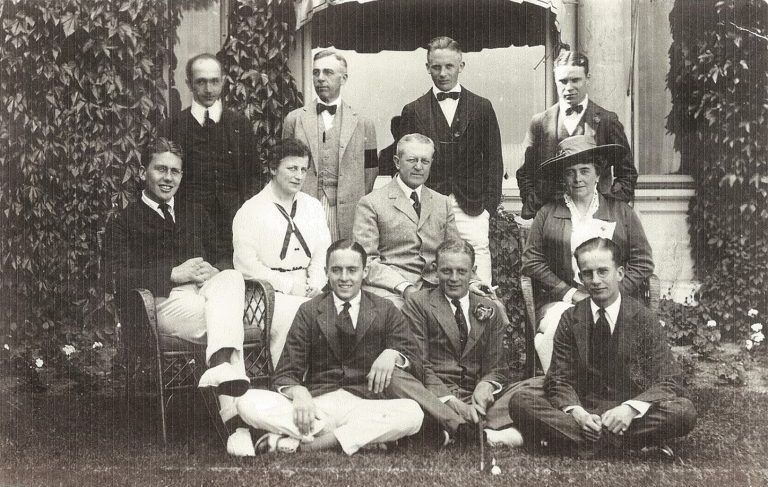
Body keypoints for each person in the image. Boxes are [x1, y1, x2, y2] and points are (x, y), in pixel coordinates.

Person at [105, 137, 254, 456]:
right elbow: (115, 275)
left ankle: (223, 377)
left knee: (231, 277)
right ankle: (236, 423)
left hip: (206, 294)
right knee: (226, 322)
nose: (168, 178)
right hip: (161, 302)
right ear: (143, 172)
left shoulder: (194, 212)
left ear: (182, 175)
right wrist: (173, 273)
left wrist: (214, 269)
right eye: (160, 169)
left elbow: (224, 254)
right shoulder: (124, 221)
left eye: (175, 171)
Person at [509, 237, 696, 457]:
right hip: (585, 411)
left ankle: (571, 443)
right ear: (580, 278)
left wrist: (630, 409)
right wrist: (578, 413)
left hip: (627, 413)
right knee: (520, 402)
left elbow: (669, 379)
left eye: (603, 271)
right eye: (588, 274)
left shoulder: (643, 318)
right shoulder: (570, 318)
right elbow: (558, 378)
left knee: (684, 411)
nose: (596, 280)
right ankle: (629, 445)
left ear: (620, 273)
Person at [234, 240, 424, 455]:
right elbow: (286, 372)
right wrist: (299, 393)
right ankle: (358, 436)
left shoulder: (385, 309)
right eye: (336, 270)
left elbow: (415, 359)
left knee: (412, 413)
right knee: (246, 402)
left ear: (365, 272)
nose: (344, 277)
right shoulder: (309, 310)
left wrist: (393, 354)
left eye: (352, 270)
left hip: (365, 403)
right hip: (318, 406)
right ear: (326, 272)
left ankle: (311, 444)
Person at [521, 135, 654, 373]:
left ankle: (610, 388)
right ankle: (562, 386)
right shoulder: (547, 213)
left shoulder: (621, 212)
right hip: (563, 302)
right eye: (570, 172)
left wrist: (613, 293)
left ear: (598, 174)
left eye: (584, 171)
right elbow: (531, 261)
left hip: (614, 299)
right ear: (563, 177)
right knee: (562, 323)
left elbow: (642, 262)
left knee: (616, 325)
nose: (578, 179)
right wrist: (569, 293)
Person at [398, 36, 503, 284]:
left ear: (461, 66)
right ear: (427, 67)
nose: (443, 73)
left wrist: (488, 208)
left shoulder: (481, 107)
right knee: (431, 264)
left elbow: (494, 161)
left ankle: (481, 307)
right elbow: (407, 165)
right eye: (436, 67)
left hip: (473, 205)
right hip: (429, 203)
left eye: (449, 66)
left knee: (477, 266)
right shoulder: (413, 110)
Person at [400, 239, 524, 448]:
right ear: (435, 270)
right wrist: (452, 401)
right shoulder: (418, 303)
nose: (454, 278)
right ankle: (479, 428)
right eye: (446, 271)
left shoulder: (489, 308)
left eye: (461, 271)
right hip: (436, 396)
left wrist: (486, 385)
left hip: (478, 400)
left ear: (473, 272)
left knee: (536, 385)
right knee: (401, 382)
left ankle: (462, 429)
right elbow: (420, 364)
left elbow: (497, 367)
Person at [232, 138, 331, 368]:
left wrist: (316, 283)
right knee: (300, 313)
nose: (299, 176)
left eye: (303, 170)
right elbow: (246, 265)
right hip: (264, 293)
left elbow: (322, 253)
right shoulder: (251, 210)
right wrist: (289, 286)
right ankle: (286, 378)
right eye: (292, 168)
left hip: (309, 286)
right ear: (273, 168)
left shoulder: (313, 206)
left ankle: (323, 380)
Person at [160, 53, 259, 263]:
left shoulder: (240, 125)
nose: (208, 89)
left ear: (223, 82)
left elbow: (254, 177)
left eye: (214, 81)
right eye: (201, 82)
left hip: (235, 226)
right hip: (189, 229)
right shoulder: (172, 126)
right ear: (189, 84)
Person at [516, 50, 637, 219]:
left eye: (575, 80)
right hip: (552, 218)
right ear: (555, 80)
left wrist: (610, 206)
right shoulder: (540, 122)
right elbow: (525, 173)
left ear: (588, 78)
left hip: (596, 218)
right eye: (563, 81)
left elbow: (627, 174)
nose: (569, 88)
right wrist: (536, 205)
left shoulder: (607, 121)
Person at [353, 133, 463, 308]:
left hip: (437, 286)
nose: (419, 167)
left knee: (489, 307)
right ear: (397, 162)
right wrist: (404, 287)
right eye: (412, 160)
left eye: (425, 161)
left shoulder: (442, 202)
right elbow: (366, 260)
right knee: (402, 316)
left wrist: (473, 282)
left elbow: (456, 253)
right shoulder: (371, 203)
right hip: (391, 290)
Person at [283, 50, 377, 241]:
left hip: (347, 211)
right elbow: (284, 166)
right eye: (316, 72)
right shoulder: (294, 119)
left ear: (344, 79)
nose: (320, 78)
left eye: (328, 72)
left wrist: (353, 198)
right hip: (304, 208)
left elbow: (371, 170)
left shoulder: (363, 123)